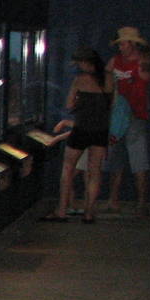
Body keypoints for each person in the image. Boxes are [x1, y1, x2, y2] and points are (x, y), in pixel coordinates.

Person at [39, 47, 111, 223]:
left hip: (81, 129)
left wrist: (80, 104)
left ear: (86, 63)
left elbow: (69, 104)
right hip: (101, 130)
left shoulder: (80, 80)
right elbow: (111, 105)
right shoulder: (110, 79)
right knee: (95, 172)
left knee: (68, 168)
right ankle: (89, 213)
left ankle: (62, 211)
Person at [105, 26, 150, 214]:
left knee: (138, 159)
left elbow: (146, 76)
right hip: (116, 118)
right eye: (120, 44)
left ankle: (141, 202)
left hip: (135, 116)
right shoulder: (114, 61)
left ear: (132, 44)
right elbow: (104, 79)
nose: (121, 47)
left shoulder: (142, 62)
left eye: (123, 43)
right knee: (115, 160)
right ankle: (112, 200)